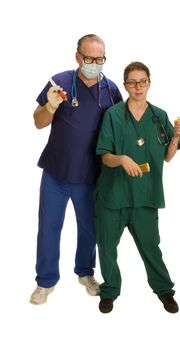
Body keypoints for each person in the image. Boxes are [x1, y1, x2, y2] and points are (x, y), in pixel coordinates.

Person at [30, 34, 122, 305]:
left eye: (100, 59)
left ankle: (85, 273)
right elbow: (38, 122)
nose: (94, 63)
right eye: (89, 58)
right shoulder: (59, 82)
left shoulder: (111, 90)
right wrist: (50, 106)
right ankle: (45, 282)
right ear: (78, 57)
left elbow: (120, 128)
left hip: (91, 175)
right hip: (56, 172)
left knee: (90, 229)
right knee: (48, 227)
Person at [94, 61, 180, 313]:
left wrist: (176, 136)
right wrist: (122, 158)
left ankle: (164, 290)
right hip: (113, 196)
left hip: (146, 196)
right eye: (132, 82)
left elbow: (168, 156)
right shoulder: (113, 115)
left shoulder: (160, 116)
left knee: (151, 247)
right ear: (125, 85)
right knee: (106, 247)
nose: (138, 87)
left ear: (149, 82)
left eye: (143, 81)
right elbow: (104, 156)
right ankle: (110, 291)